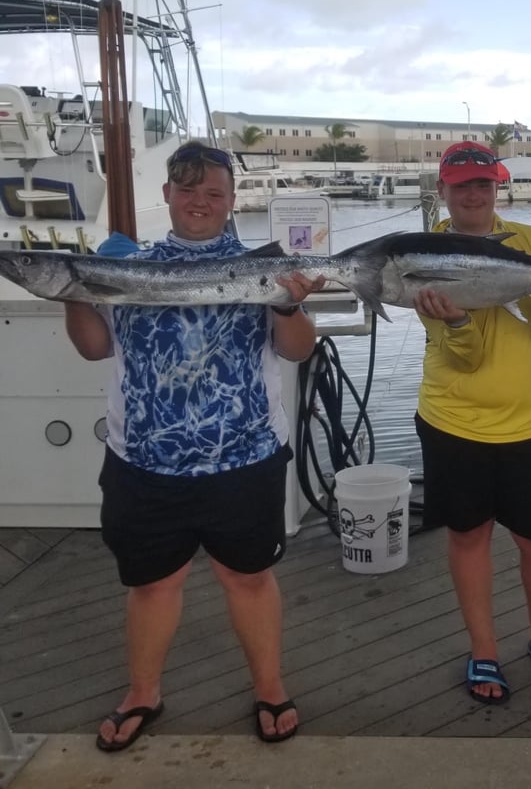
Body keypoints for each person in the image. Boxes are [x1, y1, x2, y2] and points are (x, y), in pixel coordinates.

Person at [63, 141, 325, 750]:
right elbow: (94, 347)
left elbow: (297, 350)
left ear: (232, 201)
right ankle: (143, 692)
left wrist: (287, 300)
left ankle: (269, 685)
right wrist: (74, 291)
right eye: (188, 191)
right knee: (152, 584)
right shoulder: (129, 266)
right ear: (168, 196)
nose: (200, 202)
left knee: (249, 578)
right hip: (143, 462)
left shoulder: (265, 264)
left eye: (213, 193)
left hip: (245, 457)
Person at [413, 141, 531, 704]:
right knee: (469, 537)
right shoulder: (423, 252)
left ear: (497, 188)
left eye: (483, 183)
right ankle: (483, 650)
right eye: (461, 184)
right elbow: (460, 354)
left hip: (528, 424)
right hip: (452, 422)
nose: (473, 193)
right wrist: (458, 319)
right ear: (444, 190)